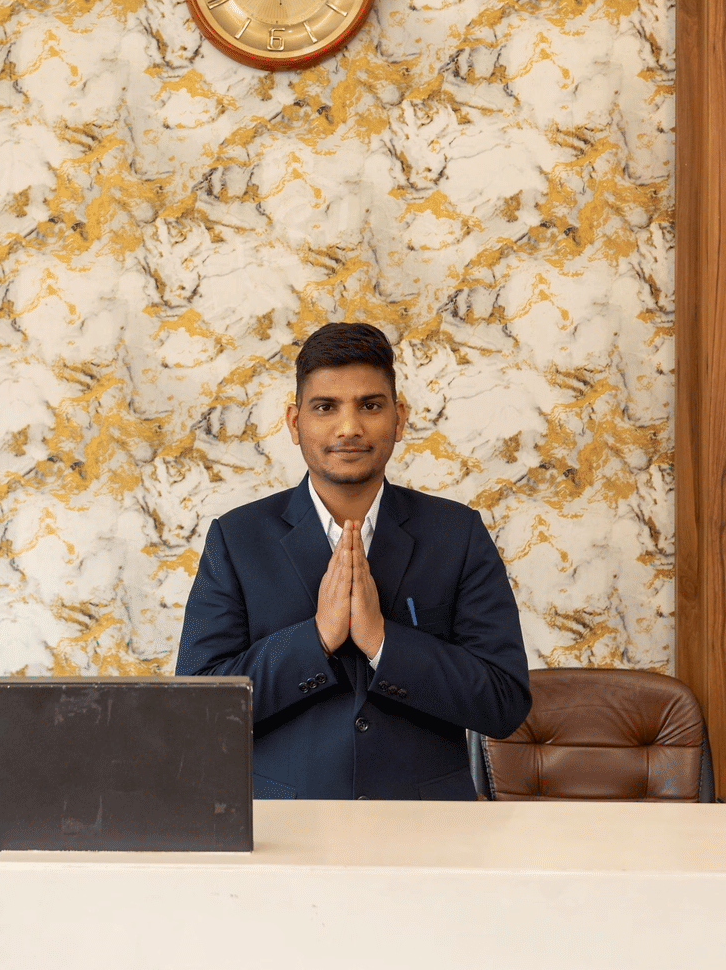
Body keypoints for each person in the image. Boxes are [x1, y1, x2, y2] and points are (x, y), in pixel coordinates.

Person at [176, 322, 531, 800]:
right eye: (325, 407)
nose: (349, 428)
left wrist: (384, 641)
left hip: (431, 829)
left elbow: (504, 703)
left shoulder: (457, 534)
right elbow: (196, 708)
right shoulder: (238, 539)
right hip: (283, 832)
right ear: (293, 422)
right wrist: (316, 638)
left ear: (399, 419)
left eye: (370, 405)